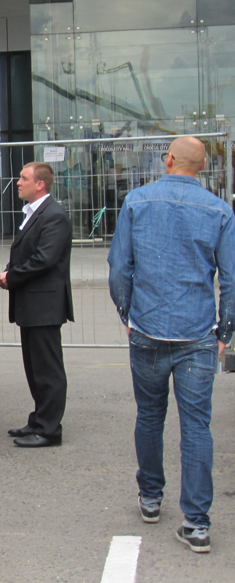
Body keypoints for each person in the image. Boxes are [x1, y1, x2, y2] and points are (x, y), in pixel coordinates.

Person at [107, 136, 234, 554]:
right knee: (196, 426)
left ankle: (150, 497)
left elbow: (119, 268)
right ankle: (196, 523)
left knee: (149, 415)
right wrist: (224, 332)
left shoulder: (137, 200)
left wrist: (128, 316)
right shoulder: (219, 210)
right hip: (197, 332)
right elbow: (231, 279)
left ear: (169, 160)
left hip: (147, 328)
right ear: (203, 166)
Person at [0, 162, 73, 448]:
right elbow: (25, 253)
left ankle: (49, 429)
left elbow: (44, 259)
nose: (18, 182)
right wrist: (9, 271)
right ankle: (39, 419)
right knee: (34, 367)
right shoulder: (33, 212)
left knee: (47, 369)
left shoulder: (54, 216)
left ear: (40, 184)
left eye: (23, 178)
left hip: (45, 305)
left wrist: (12, 277)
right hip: (31, 303)